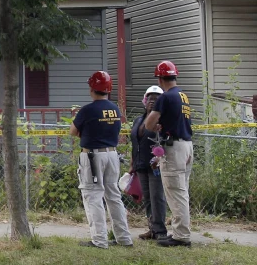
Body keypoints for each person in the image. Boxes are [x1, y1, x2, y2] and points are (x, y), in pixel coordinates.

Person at [70, 70, 133, 248]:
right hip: (112, 155)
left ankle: (99, 239)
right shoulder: (115, 109)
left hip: (92, 157)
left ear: (92, 88)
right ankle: (124, 238)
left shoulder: (88, 110)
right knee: (113, 196)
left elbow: (73, 131)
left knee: (93, 196)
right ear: (108, 89)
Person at [143, 60, 194, 247]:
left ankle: (181, 235)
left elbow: (149, 124)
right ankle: (182, 231)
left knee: (175, 191)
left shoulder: (165, 97)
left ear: (160, 79)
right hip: (187, 145)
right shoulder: (183, 96)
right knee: (182, 191)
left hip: (174, 148)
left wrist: (155, 123)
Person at [131, 86, 168, 241]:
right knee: (147, 197)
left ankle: (160, 231)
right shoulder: (138, 120)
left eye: (157, 99)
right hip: (140, 164)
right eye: (150, 99)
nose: (152, 102)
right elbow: (135, 143)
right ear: (145, 101)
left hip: (155, 165)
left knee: (157, 196)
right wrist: (132, 164)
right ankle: (151, 228)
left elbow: (166, 142)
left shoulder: (163, 122)